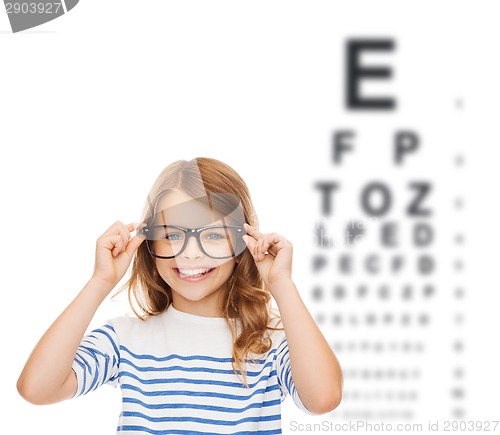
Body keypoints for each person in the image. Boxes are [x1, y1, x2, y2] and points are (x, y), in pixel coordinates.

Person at [17, 157, 343, 434]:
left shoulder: (269, 343)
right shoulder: (125, 339)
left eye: (213, 234)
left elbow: (323, 399)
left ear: (243, 241)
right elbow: (37, 390)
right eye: (173, 234)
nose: (189, 255)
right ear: (149, 242)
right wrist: (100, 281)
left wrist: (281, 284)